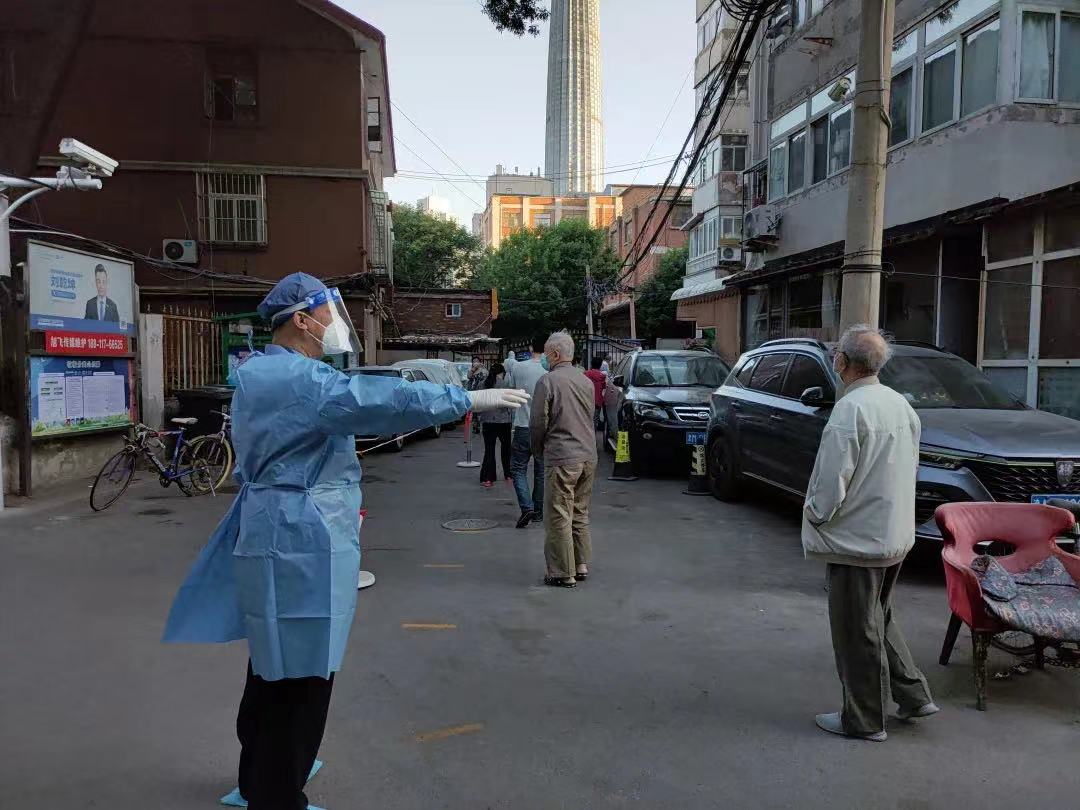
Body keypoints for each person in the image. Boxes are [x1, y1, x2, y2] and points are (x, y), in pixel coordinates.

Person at [162, 272, 527, 810]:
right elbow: (378, 398)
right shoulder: (303, 380)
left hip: (276, 525)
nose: (333, 324)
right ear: (300, 320)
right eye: (326, 314)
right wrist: (465, 396)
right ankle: (277, 793)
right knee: (305, 670)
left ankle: (260, 776)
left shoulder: (258, 373)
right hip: (300, 533)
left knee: (271, 663)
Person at [803, 324, 938, 743]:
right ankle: (913, 695)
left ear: (842, 361)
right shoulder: (900, 404)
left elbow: (830, 484)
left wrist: (816, 517)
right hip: (893, 535)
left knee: (856, 629)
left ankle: (863, 720)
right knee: (879, 616)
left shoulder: (850, 409)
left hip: (857, 541)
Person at [530, 331, 597, 588]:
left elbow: (538, 422)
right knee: (579, 511)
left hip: (562, 455)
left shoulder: (547, 381)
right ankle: (580, 564)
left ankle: (562, 572)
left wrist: (538, 449)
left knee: (559, 514)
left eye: (547, 354)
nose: (545, 358)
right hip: (587, 455)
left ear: (556, 354)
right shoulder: (585, 381)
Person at [505, 336, 549, 529]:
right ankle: (538, 512)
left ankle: (526, 507)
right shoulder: (548, 372)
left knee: (518, 469)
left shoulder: (518, 367)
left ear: (531, 348)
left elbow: (510, 387)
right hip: (543, 428)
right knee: (540, 471)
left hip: (522, 425)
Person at [478, 362, 513, 488]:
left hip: (488, 421)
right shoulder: (505, 385)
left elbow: (479, 403)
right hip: (504, 421)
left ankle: (488, 478)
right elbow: (509, 403)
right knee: (506, 448)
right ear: (501, 373)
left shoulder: (483, 384)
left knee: (489, 450)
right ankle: (508, 475)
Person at [583, 356, 607, 431]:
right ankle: (593, 436)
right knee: (595, 420)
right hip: (597, 402)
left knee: (585, 420)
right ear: (600, 365)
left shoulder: (585, 374)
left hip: (586, 400)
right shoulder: (602, 377)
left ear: (591, 364)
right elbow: (604, 389)